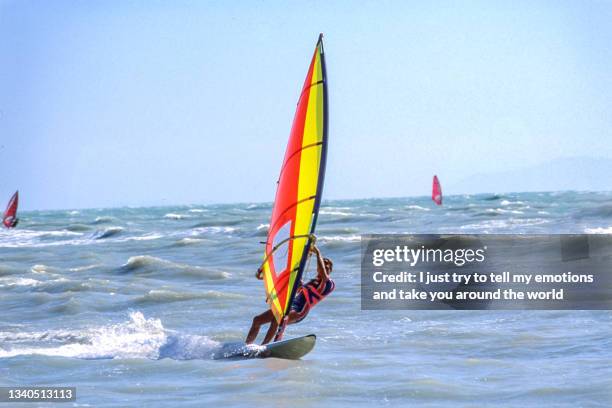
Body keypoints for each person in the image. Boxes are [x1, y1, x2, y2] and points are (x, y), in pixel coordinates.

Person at [246, 244, 334, 344]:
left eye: (328, 267)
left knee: (278, 318)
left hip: (299, 311)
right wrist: (263, 275)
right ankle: (247, 347)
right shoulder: (310, 283)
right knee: (257, 320)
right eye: (324, 265)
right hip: (288, 306)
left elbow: (323, 274)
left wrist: (318, 253)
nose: (326, 267)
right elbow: (284, 281)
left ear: (330, 271)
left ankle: (263, 346)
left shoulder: (329, 284)